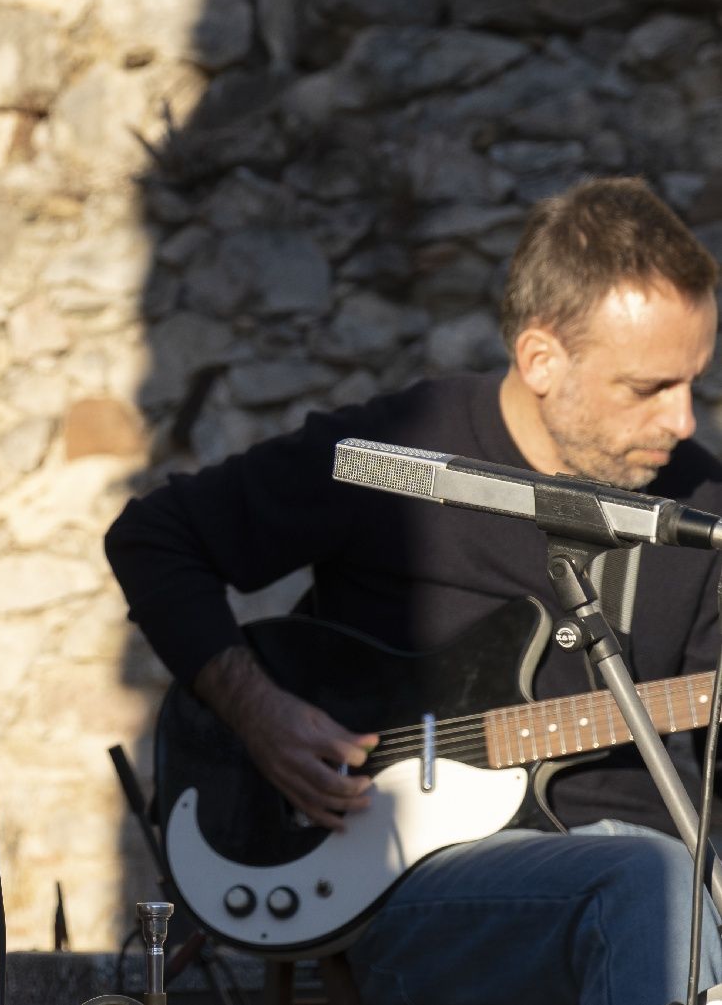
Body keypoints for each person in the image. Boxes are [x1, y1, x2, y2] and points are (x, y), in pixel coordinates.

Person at [106, 176, 722, 1003]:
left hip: (654, 889)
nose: (683, 421)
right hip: (411, 887)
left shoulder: (701, 508)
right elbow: (155, 538)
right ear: (542, 359)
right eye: (648, 388)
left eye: (694, 382)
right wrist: (257, 712)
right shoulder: (404, 453)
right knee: (652, 875)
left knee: (660, 874)